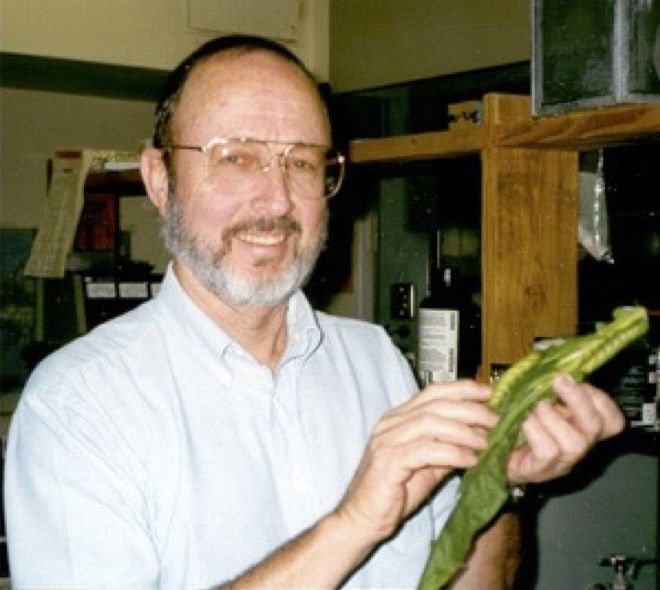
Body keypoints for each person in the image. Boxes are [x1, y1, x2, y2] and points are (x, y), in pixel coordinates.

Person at [5, 35, 625, 589]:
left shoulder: (375, 358)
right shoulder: (77, 403)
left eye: (302, 161)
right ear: (160, 178)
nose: (276, 199)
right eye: (236, 157)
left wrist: (502, 482)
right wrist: (353, 523)